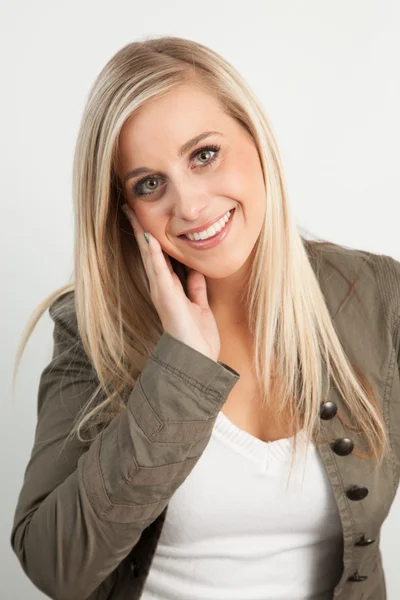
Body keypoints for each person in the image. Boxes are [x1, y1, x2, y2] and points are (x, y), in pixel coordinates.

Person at [10, 35, 400, 600]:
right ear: (127, 212)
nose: (189, 205)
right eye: (150, 183)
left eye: (203, 154)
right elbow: (55, 568)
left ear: (256, 137)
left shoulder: (375, 297)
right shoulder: (93, 326)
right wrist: (182, 369)